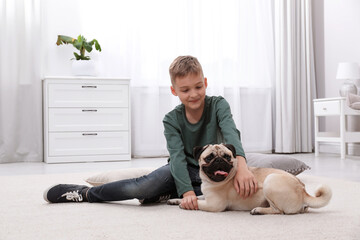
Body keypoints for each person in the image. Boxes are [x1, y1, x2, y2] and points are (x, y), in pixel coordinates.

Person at [43, 55, 258, 210]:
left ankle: (167, 193)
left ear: (206, 83)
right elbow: (177, 159)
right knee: (144, 187)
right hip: (181, 169)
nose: (193, 94)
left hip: (218, 173)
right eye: (185, 90)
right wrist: (187, 192)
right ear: (174, 91)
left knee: (244, 188)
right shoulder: (171, 119)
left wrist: (242, 167)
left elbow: (231, 133)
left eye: (198, 87)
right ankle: (86, 194)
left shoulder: (219, 104)